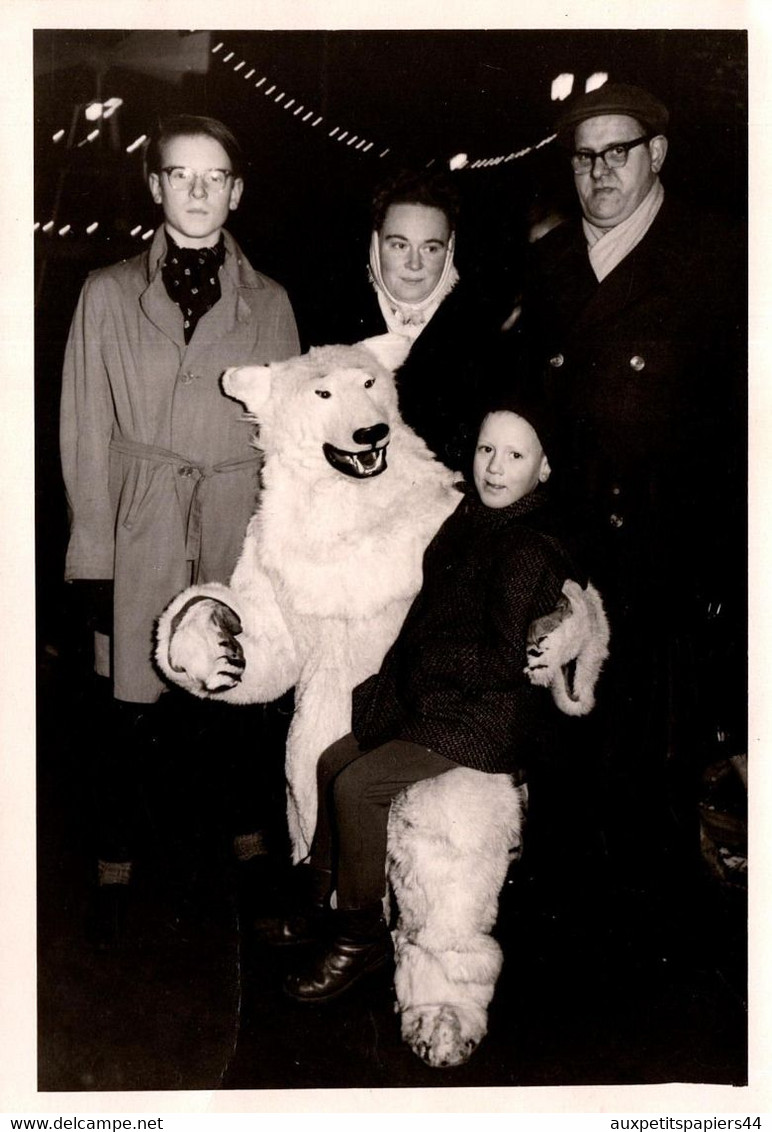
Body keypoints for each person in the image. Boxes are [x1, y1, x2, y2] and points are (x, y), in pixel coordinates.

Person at [59, 114, 300, 939]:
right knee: (128, 708)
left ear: (236, 191)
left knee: (234, 700)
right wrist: (93, 560)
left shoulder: (271, 303)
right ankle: (117, 864)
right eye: (179, 176)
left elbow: (289, 441)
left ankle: (246, 849)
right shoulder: (105, 293)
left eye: (214, 179)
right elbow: (85, 430)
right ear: (155, 185)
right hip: (139, 525)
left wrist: (277, 558)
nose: (196, 193)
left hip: (234, 523)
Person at [513, 82, 746, 899]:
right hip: (565, 552)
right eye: (584, 156)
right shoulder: (546, 265)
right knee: (564, 771)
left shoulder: (719, 260)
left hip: (665, 560)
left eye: (619, 152)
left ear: (658, 155)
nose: (600, 172)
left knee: (649, 785)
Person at [270, 396, 578, 1004]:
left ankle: (359, 938)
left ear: (544, 468)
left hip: (480, 714)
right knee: (333, 760)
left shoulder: (528, 546)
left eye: (515, 455)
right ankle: (323, 901)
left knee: (360, 785)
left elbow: (502, 657)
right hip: (434, 696)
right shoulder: (472, 516)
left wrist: (423, 675)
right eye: (487, 448)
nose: (494, 466)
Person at [302, 169, 509, 473]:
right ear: (376, 244)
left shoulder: (484, 333)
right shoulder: (329, 323)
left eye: (430, 248)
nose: (414, 264)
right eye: (399, 245)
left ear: (450, 249)